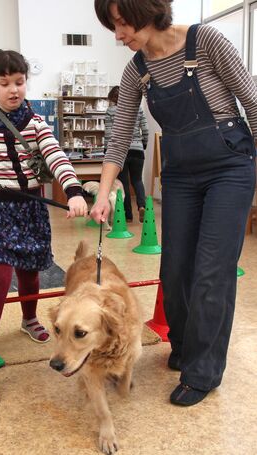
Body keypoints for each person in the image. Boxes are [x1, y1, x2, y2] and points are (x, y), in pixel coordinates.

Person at [92, 0, 256, 406]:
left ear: (147, 9)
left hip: (230, 168)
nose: (119, 36)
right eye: (112, 28)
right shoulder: (137, 71)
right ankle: (182, 348)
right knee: (175, 269)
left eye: (122, 23)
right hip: (181, 174)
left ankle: (203, 372)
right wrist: (103, 193)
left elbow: (253, 103)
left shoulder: (206, 42)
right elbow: (120, 136)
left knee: (211, 273)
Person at [0, 49, 87, 405]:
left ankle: (28, 318)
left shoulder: (37, 124)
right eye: (5, 83)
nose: (13, 89)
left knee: (30, 267)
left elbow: (56, 156)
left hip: (29, 206)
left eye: (20, 82)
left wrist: (73, 191)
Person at [104, 85, 149, 222]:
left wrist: (107, 151)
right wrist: (143, 144)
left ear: (112, 98)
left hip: (120, 151)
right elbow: (145, 129)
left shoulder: (111, 111)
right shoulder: (138, 110)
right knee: (137, 180)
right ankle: (142, 206)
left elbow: (109, 134)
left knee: (123, 183)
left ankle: (127, 215)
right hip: (138, 150)